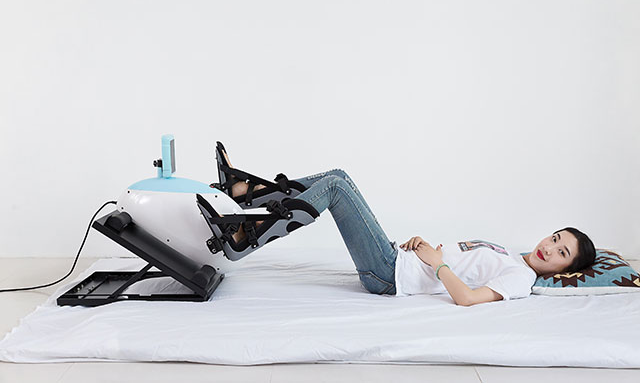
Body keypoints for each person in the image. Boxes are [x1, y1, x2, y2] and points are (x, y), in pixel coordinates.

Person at [220, 151, 596, 306]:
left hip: (389, 275)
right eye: (555, 238)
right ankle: (248, 193)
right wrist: (425, 247)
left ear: (565, 270)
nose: (550, 247)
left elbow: (467, 298)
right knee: (339, 176)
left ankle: (248, 234)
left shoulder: (521, 278)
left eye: (562, 253)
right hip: (399, 258)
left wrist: (436, 263)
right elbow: (461, 261)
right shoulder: (510, 253)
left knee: (334, 188)